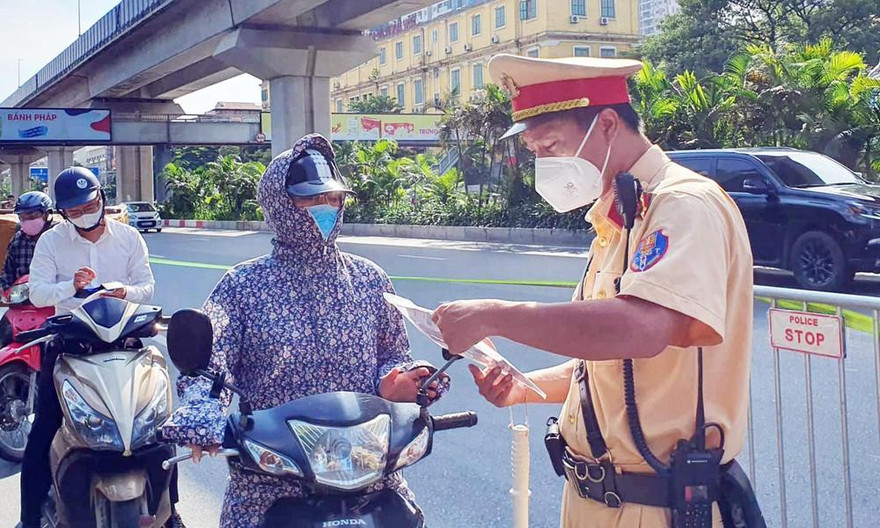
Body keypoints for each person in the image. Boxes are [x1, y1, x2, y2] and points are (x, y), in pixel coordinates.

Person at [433, 55, 754, 527]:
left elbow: (641, 330)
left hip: (658, 506)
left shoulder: (682, 204)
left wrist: (495, 314)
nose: (543, 163)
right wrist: (525, 387)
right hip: (597, 499)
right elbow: (613, 366)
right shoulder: (619, 214)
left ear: (606, 124)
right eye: (535, 151)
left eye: (551, 145)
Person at [160, 134, 449, 528]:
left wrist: (401, 382)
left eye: (332, 198)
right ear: (279, 203)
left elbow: (392, 356)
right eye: (310, 200)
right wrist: (203, 411)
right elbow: (211, 368)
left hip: (365, 468)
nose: (325, 208)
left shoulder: (369, 279)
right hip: (274, 475)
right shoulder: (242, 286)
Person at [18, 167, 185, 528]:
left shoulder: (128, 237)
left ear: (102, 200)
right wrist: (71, 288)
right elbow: (38, 292)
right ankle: (29, 517)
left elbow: (146, 286)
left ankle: (172, 510)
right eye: (74, 211)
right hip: (71, 348)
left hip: (126, 345)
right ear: (63, 213)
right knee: (44, 430)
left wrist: (124, 292)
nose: (84, 214)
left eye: (89, 205)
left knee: (157, 430)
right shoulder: (51, 241)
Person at [1, 192, 55, 293]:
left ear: (47, 214)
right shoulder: (18, 240)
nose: (27, 220)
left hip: (54, 297)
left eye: (32, 215)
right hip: (22, 298)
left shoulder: (58, 237)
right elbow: (7, 275)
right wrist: (4, 290)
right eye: (23, 217)